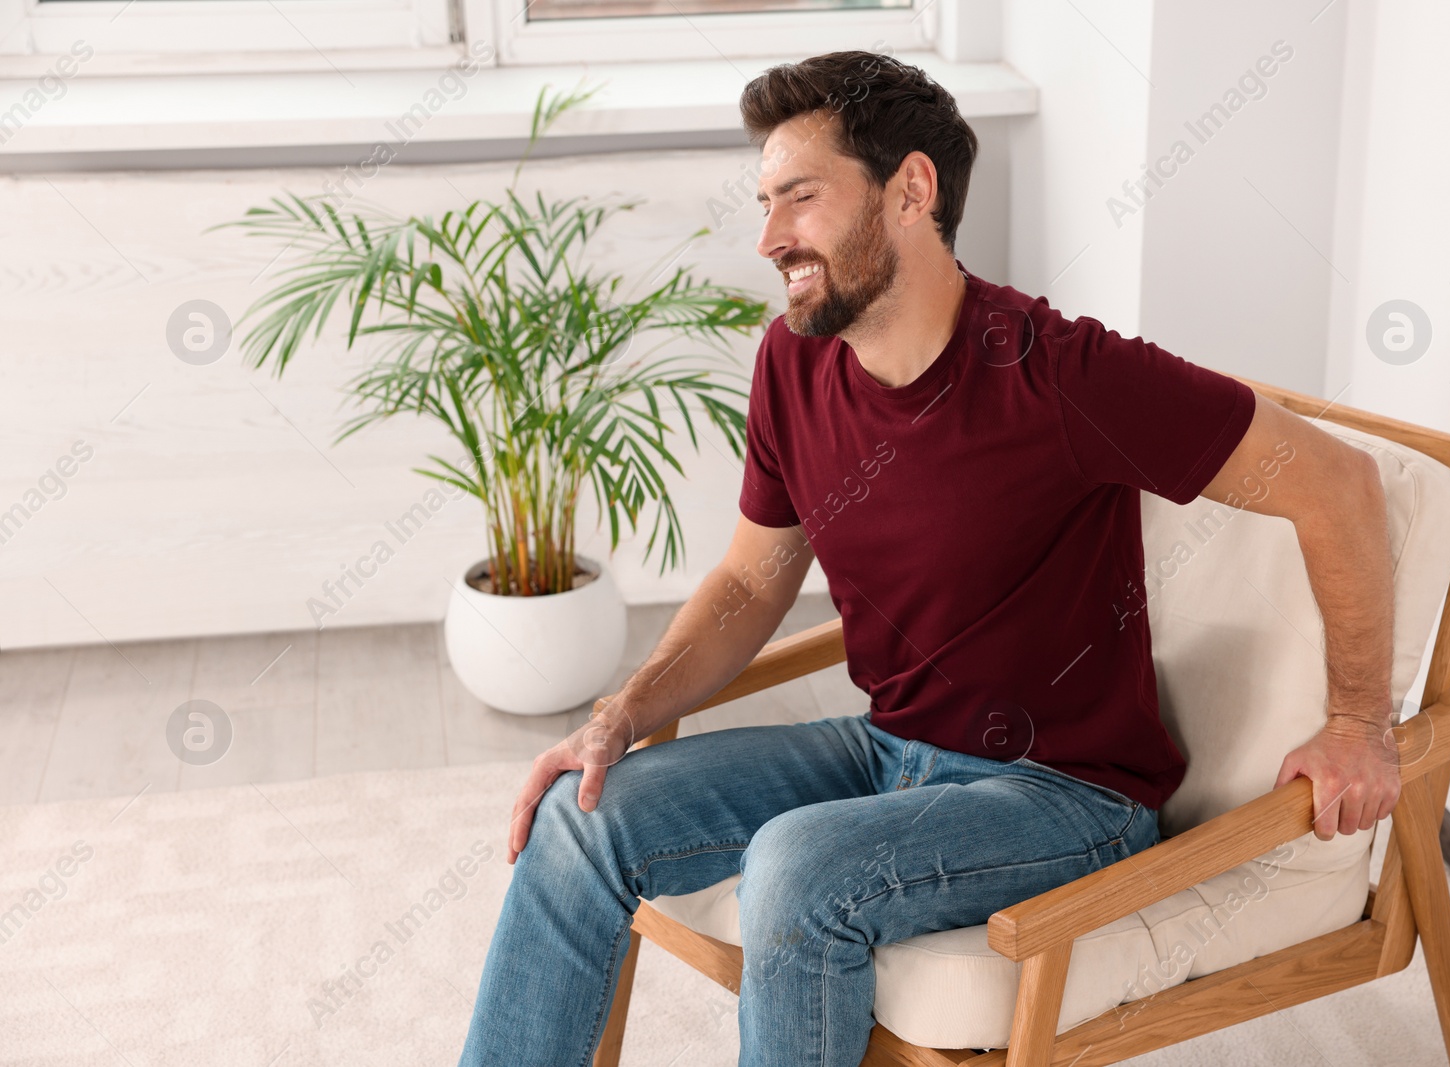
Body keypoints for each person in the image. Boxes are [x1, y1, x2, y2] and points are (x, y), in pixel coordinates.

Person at [459, 50, 1400, 1067]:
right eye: (765, 203)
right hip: (888, 752)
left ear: (911, 190)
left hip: (1065, 793)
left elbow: (1337, 484)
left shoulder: (1062, 374)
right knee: (579, 815)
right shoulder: (794, 360)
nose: (771, 237)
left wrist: (1359, 722)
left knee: (797, 865)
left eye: (801, 198)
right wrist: (619, 716)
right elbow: (746, 580)